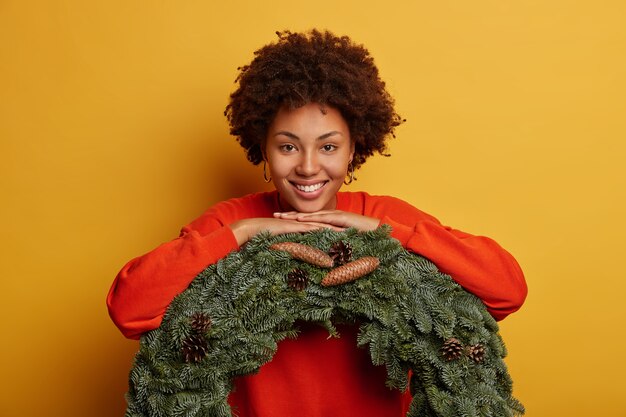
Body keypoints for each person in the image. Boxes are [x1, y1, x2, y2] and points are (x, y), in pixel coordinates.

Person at [107, 30, 527, 417]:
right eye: (288, 146)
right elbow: (129, 310)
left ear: (352, 151)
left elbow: (507, 290)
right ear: (264, 150)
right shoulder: (231, 221)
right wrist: (243, 233)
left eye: (328, 146)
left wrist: (385, 234)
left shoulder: (384, 217)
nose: (308, 167)